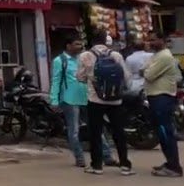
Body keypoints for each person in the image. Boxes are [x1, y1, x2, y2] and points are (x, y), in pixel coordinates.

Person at [49, 34, 117, 168]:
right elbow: (56, 81)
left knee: (96, 128)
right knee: (74, 131)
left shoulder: (83, 58)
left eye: (81, 44)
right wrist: (54, 100)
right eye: (77, 44)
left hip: (88, 98)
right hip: (70, 100)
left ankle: (107, 156)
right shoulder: (60, 60)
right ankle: (79, 157)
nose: (80, 46)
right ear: (68, 46)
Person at [76, 33, 133, 175]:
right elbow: (126, 77)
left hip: (95, 99)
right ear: (105, 42)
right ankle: (125, 165)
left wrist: (91, 79)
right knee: (118, 132)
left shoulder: (85, 56)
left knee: (95, 132)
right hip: (115, 100)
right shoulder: (116, 55)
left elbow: (80, 77)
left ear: (92, 42)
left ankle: (97, 166)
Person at [143, 31, 183, 177]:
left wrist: (146, 70)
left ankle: (174, 167)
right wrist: (146, 70)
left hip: (162, 97)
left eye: (154, 40)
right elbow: (143, 69)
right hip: (155, 96)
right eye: (149, 40)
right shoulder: (156, 55)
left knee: (166, 133)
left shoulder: (165, 56)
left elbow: (148, 74)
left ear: (163, 40)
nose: (151, 43)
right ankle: (170, 163)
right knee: (161, 133)